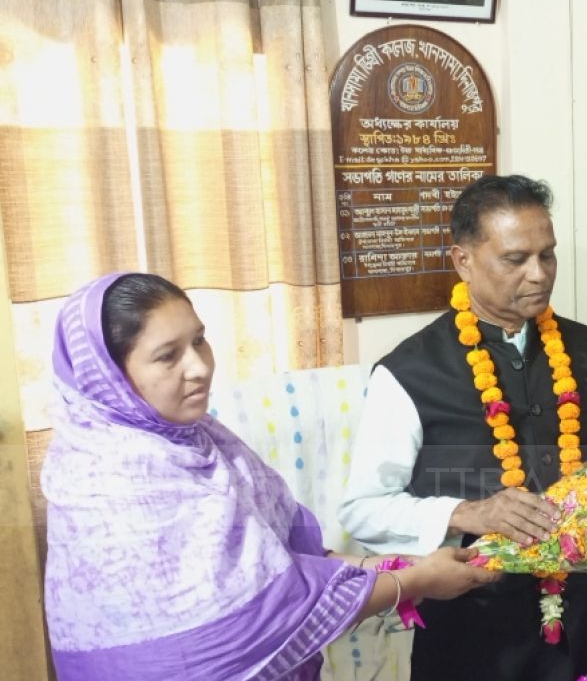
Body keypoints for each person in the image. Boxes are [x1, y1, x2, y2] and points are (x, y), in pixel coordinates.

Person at [42, 272, 497, 681]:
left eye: (199, 340)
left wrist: (400, 565)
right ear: (109, 378)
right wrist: (415, 582)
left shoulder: (206, 441)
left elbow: (288, 565)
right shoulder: (107, 480)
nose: (199, 367)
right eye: (167, 356)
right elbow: (246, 626)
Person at [339, 175, 587, 681]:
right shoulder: (410, 372)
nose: (539, 274)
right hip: (470, 642)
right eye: (516, 259)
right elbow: (362, 510)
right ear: (463, 261)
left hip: (579, 625)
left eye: (548, 255)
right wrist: (469, 512)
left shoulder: (584, 347)